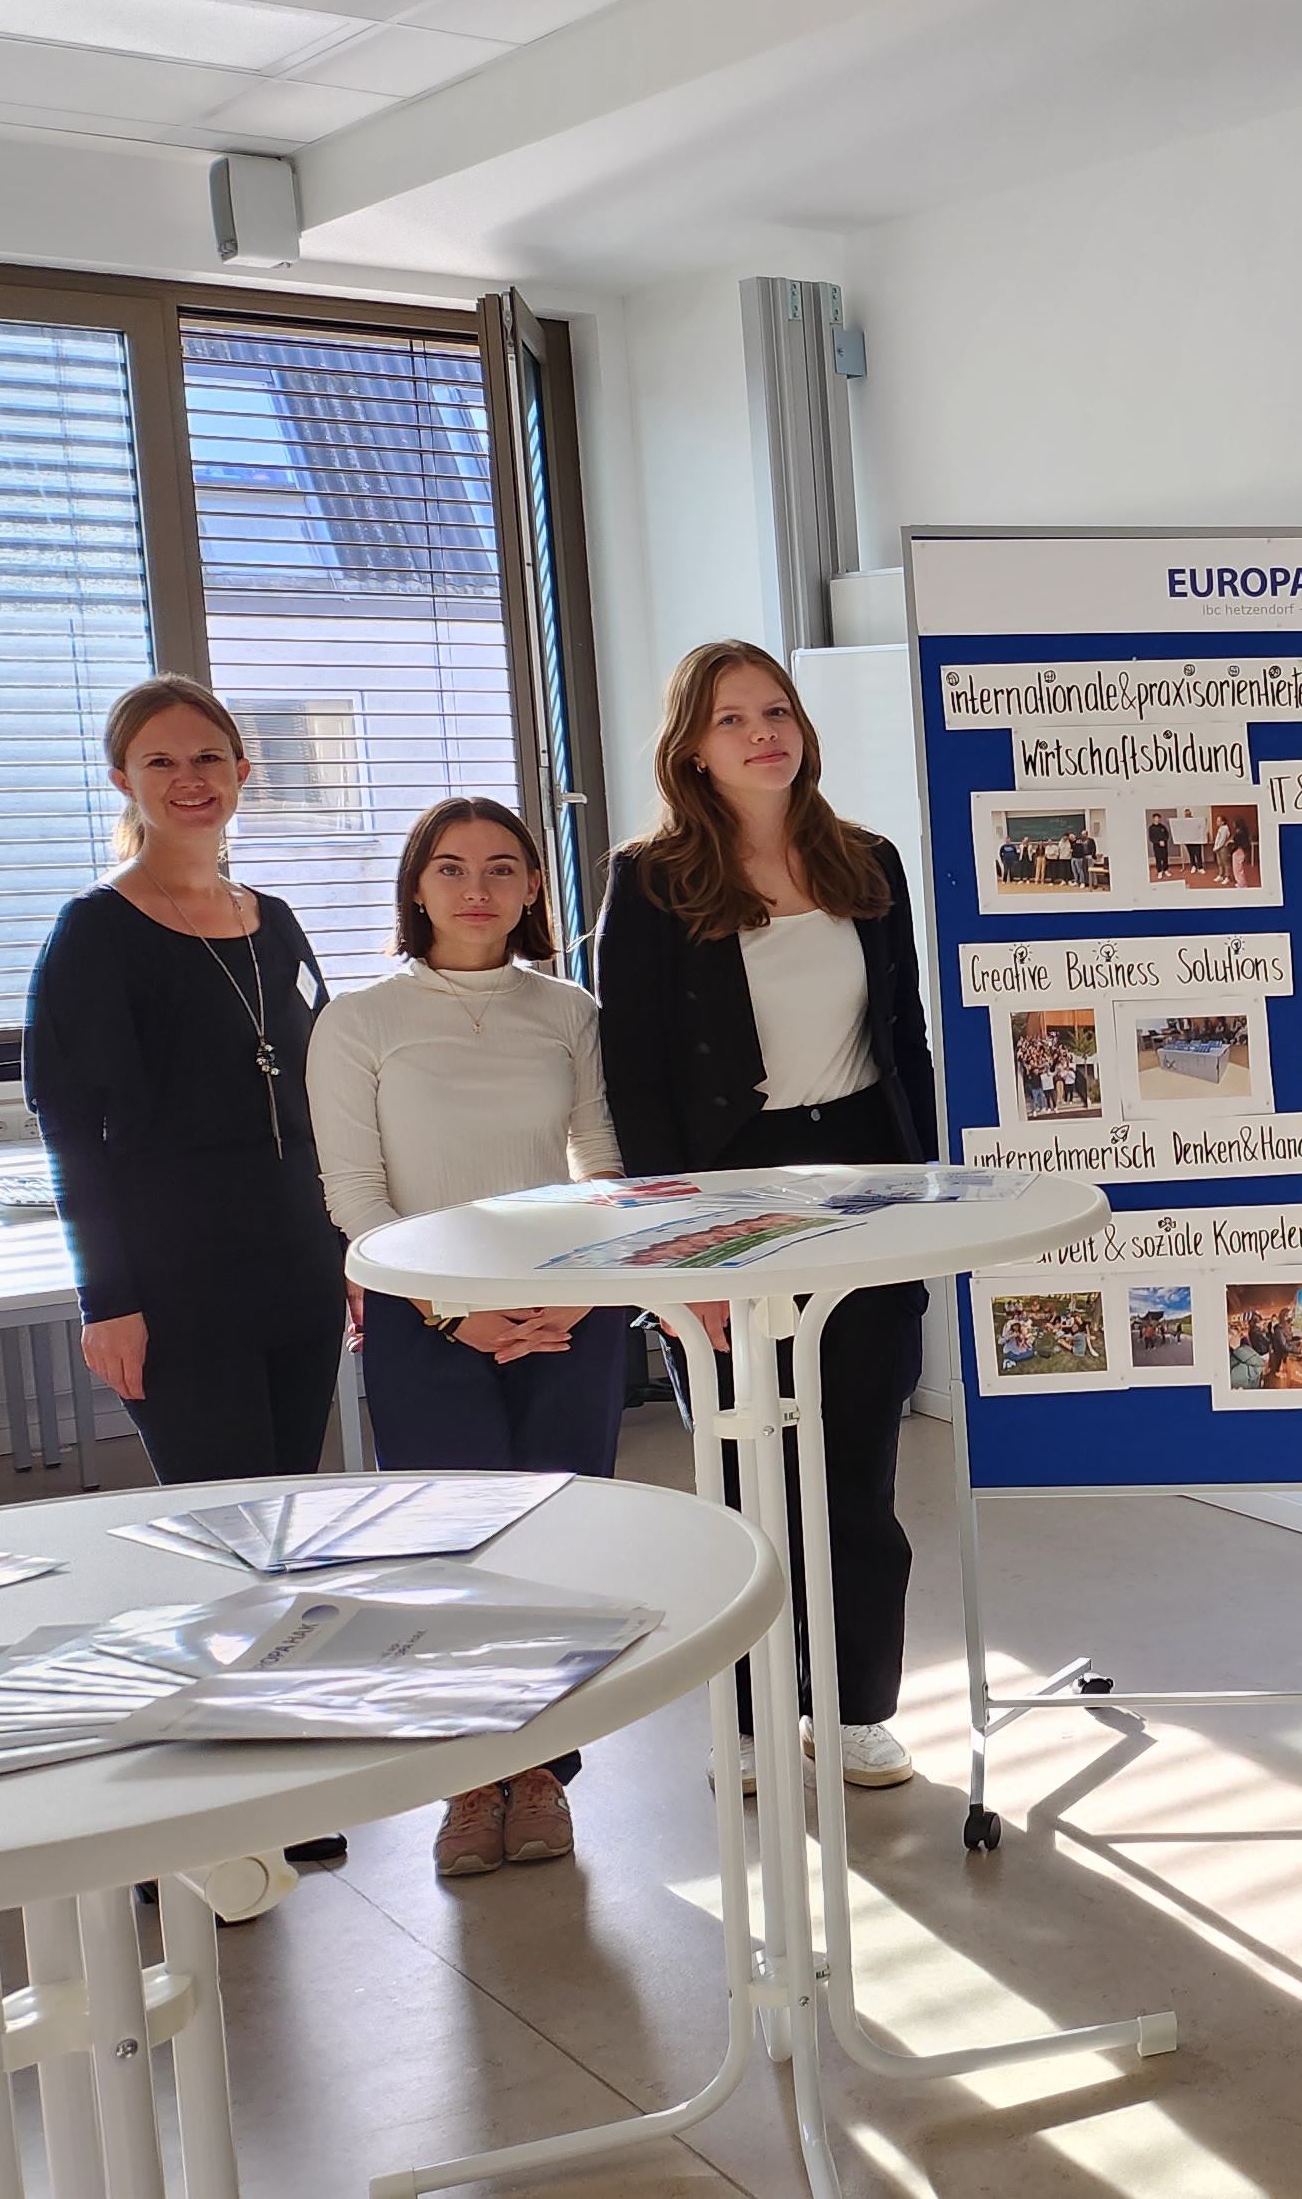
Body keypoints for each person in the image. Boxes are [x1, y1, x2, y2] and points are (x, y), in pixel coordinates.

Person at [596, 639, 942, 1795]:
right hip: (727, 1186)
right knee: (749, 1473)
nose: (762, 734)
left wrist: (924, 1193)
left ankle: (854, 1707)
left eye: (776, 709)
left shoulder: (866, 859)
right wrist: (673, 1250)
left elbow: (904, 1038)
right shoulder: (650, 879)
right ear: (692, 747)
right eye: (732, 717)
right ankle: (747, 1716)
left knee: (859, 1468)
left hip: (864, 1179)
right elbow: (634, 1076)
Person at [307, 795, 629, 1881]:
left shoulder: (569, 1010)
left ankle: (540, 1771)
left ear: (534, 886)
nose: (477, 887)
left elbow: (603, 1164)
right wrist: (452, 1307)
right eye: (450, 867)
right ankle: (466, 1777)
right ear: (416, 886)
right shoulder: (360, 1020)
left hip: (568, 1307)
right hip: (422, 1314)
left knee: (557, 1547)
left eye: (501, 867)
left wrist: (579, 1294)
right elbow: (356, 1193)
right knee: (453, 1553)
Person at [29, 677, 342, 1484]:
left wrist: (349, 1250)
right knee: (228, 1518)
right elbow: (69, 1132)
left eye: (207, 757)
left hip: (299, 1266)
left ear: (242, 770)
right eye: (160, 762)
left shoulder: (275, 919)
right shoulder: (95, 930)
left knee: (292, 1505)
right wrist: (106, 1303)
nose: (190, 779)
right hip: (179, 1286)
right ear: (122, 781)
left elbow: (327, 1093)